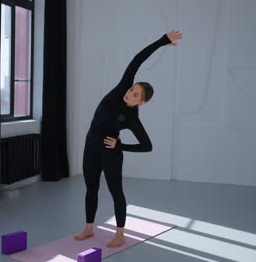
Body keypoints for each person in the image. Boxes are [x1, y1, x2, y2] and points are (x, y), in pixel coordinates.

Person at [73, 30, 183, 248]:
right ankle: (88, 229)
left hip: (110, 153)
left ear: (141, 102)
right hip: (90, 148)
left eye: (135, 94)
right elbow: (137, 59)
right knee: (91, 189)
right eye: (132, 89)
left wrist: (120, 145)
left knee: (116, 192)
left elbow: (147, 146)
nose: (130, 93)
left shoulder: (132, 118)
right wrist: (162, 42)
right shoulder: (121, 88)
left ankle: (120, 234)